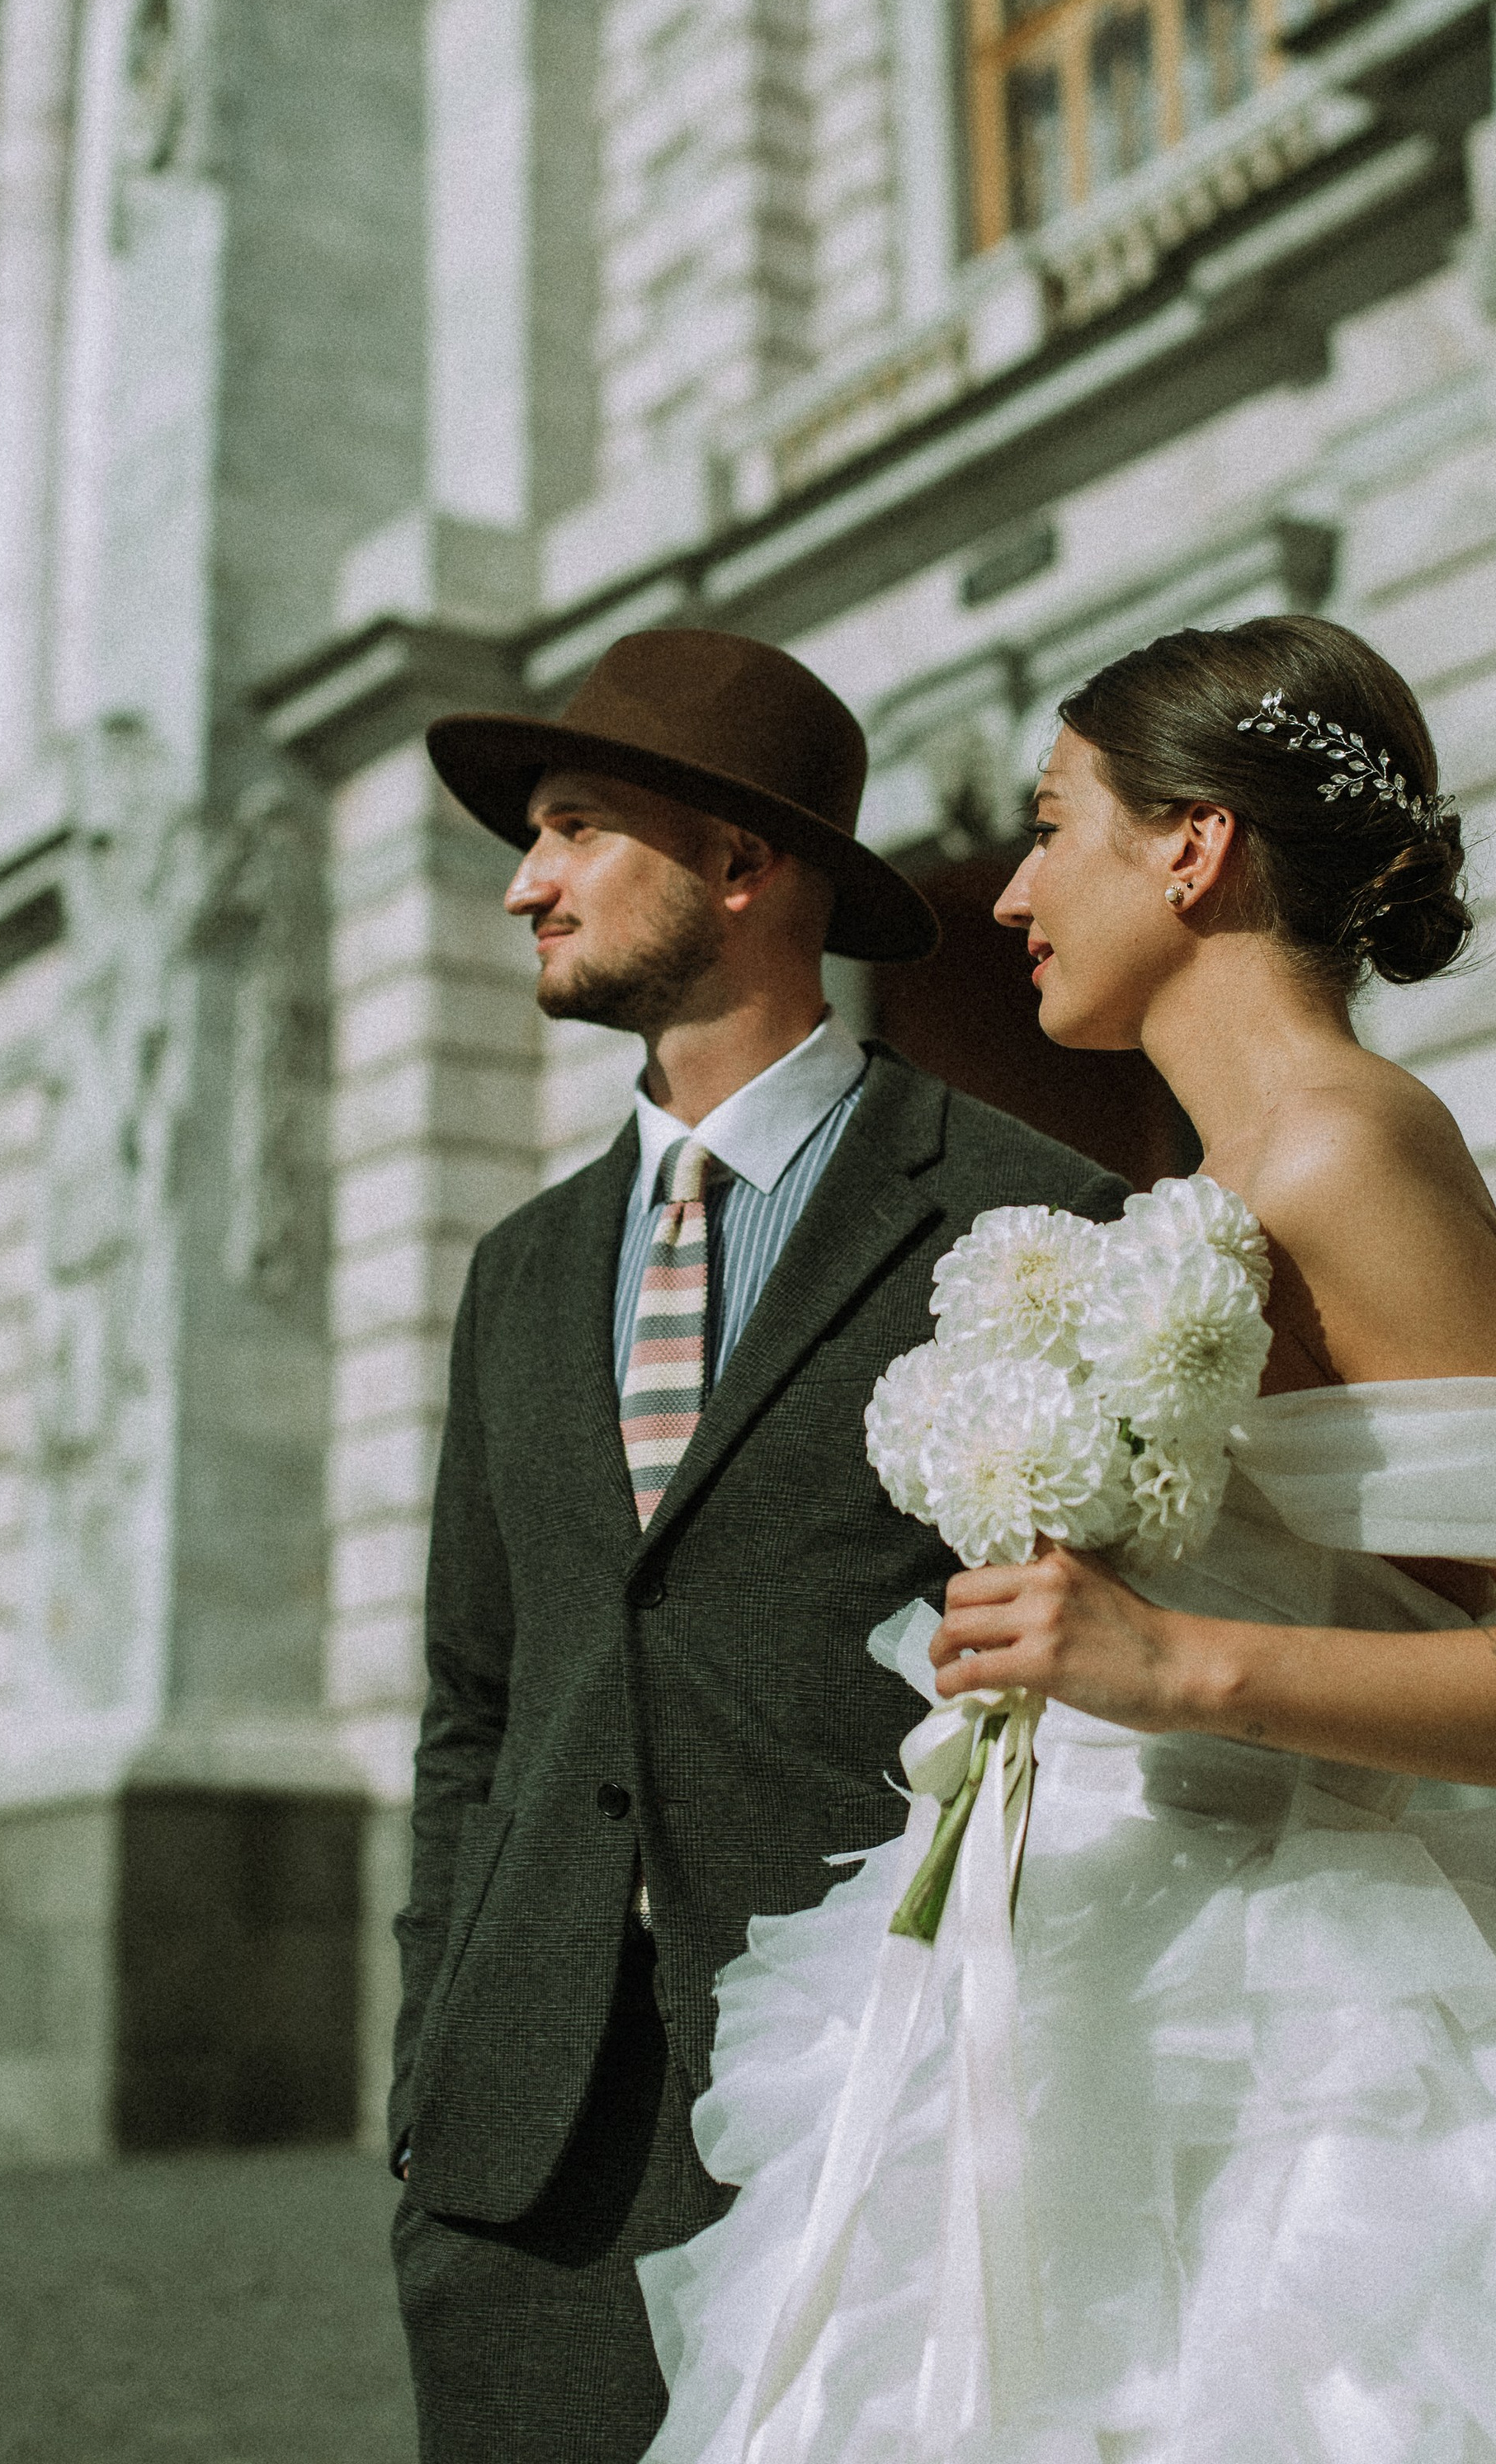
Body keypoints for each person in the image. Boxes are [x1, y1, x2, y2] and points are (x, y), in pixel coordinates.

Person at [639, 615, 1496, 2463]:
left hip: (1294, 2045)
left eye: (1054, 827)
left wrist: (1172, 1666)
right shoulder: (1207, 1178)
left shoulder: (1343, 1149)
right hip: (1077, 1972)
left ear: (1192, 846)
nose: (1008, 894)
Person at [388, 626, 1130, 2464]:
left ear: (738, 863)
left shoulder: (1031, 1219)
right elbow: (471, 1705)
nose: (520, 882)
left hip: (877, 2117)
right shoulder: (516, 1274)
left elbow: (1095, 1697)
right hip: (531, 2140)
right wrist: (433, 2053)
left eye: (570, 827)